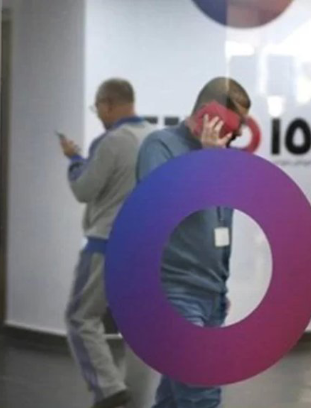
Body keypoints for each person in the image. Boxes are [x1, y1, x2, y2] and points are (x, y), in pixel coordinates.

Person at [136, 77, 251, 408]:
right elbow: (158, 210)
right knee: (202, 394)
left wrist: (219, 288)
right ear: (207, 112)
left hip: (211, 294)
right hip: (174, 291)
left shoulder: (223, 156)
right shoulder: (160, 145)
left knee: (175, 398)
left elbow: (221, 221)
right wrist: (206, 161)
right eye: (233, 123)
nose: (238, 133)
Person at [61, 79, 154, 408]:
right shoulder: (155, 138)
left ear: (108, 103)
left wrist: (74, 160)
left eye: (97, 107)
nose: (98, 114)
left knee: (80, 317)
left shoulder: (111, 141)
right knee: (139, 325)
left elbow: (83, 190)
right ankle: (138, 395)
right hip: (145, 244)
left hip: (107, 243)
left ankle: (109, 388)